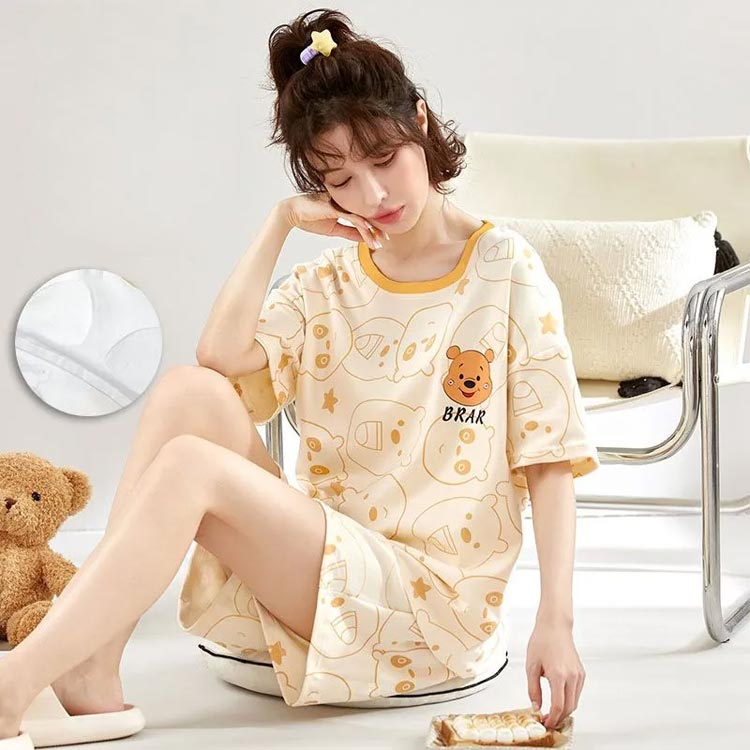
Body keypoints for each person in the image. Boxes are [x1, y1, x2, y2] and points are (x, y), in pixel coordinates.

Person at [0, 7, 599, 743]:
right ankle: (93, 667)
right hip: (330, 562)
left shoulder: (505, 269)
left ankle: (13, 685)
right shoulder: (331, 281)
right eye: (341, 179)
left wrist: (556, 622)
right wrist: (279, 223)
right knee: (188, 391)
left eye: (385, 159)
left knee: (190, 465)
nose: (373, 196)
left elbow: (549, 458)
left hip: (431, 607)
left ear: (419, 122)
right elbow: (220, 360)